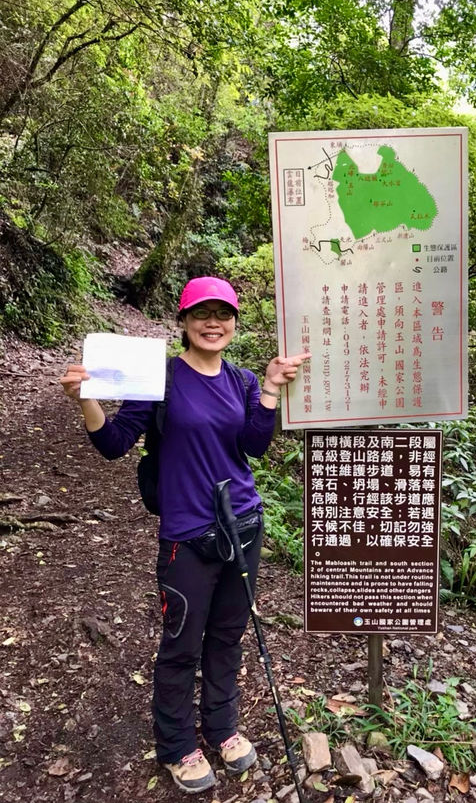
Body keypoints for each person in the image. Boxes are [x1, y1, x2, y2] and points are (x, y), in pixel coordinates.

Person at [60, 276, 310, 794]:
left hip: (243, 523)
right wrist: (85, 399)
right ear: (184, 322)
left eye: (223, 314)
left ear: (234, 323)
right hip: (186, 535)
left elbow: (254, 446)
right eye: (201, 314)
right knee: (181, 644)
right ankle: (176, 744)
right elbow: (112, 443)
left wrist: (267, 391)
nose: (212, 323)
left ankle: (221, 728)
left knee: (227, 635)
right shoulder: (161, 379)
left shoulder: (241, 380)